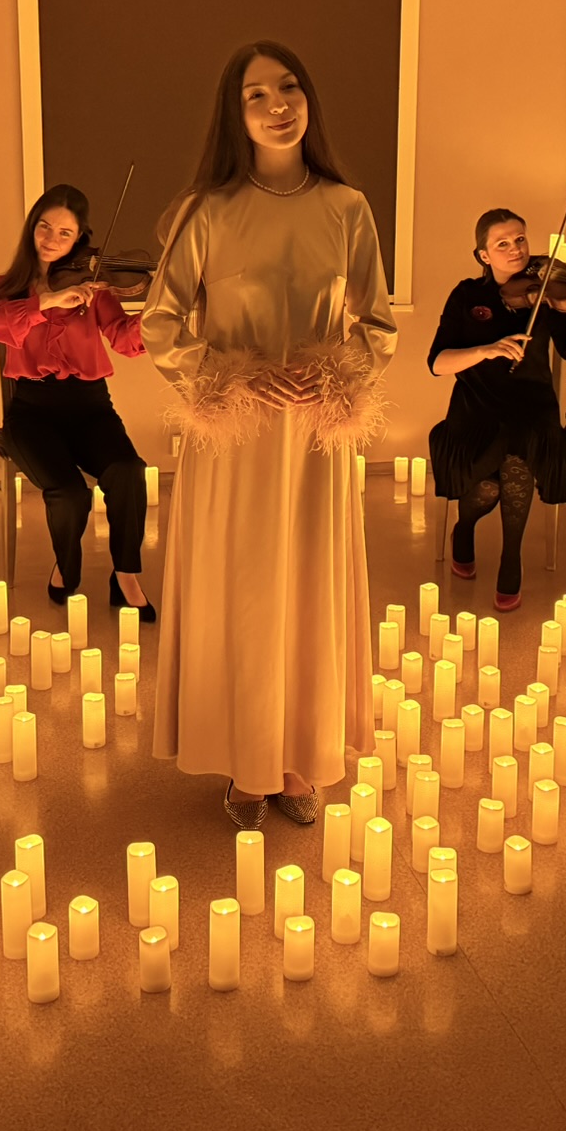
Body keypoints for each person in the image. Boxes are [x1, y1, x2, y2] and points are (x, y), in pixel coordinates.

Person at [141, 41, 397, 830]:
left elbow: (379, 325)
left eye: (289, 88)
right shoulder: (205, 211)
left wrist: (333, 374)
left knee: (307, 589)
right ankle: (244, 759)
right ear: (235, 112)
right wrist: (236, 379)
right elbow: (160, 323)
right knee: (242, 593)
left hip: (315, 438)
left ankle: (296, 758)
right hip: (234, 441)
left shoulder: (347, 208)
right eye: (257, 94)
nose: (278, 104)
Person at [428, 209, 566, 610]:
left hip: (532, 404)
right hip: (476, 406)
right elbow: (437, 362)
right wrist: (486, 350)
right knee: (487, 484)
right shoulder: (467, 295)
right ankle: (464, 529)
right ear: (484, 255)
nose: (515, 249)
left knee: (517, 460)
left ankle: (510, 559)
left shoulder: (547, 292)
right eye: (502, 243)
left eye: (520, 239)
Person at [0, 184, 155, 618]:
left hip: (91, 408)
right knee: (69, 493)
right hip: (33, 413)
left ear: (79, 239)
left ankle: (126, 575)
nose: (51, 239)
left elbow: (125, 341)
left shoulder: (94, 288)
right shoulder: (8, 288)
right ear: (32, 228)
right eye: (45, 227)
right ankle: (66, 565)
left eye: (65, 233)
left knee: (129, 471)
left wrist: (157, 314)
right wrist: (48, 301)